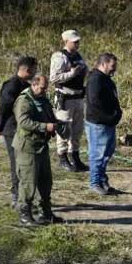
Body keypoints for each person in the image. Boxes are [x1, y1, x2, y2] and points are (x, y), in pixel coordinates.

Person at [12, 74, 64, 226]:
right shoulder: (24, 100)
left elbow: (48, 115)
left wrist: (56, 124)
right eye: (42, 88)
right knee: (28, 182)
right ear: (34, 85)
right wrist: (44, 127)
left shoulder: (43, 99)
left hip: (41, 146)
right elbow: (23, 122)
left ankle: (46, 213)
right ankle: (25, 215)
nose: (44, 91)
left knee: (45, 181)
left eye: (45, 88)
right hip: (27, 147)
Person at [0, 56, 38, 208]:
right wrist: (0, 126)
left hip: (23, 129)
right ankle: (16, 195)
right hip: (12, 129)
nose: (35, 71)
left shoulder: (25, 85)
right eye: (34, 69)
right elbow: (4, 106)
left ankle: (24, 194)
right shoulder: (12, 85)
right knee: (17, 163)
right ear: (27, 69)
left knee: (25, 163)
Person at [50, 29, 89, 172]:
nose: (77, 44)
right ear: (66, 41)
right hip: (64, 97)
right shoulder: (59, 57)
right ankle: (62, 157)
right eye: (74, 41)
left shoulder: (79, 56)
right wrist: (72, 73)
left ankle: (75, 156)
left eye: (78, 41)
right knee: (64, 129)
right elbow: (54, 78)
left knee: (78, 130)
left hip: (78, 97)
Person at [85, 53, 122, 196]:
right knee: (97, 154)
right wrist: (108, 117)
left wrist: (116, 114)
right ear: (104, 64)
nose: (114, 69)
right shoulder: (95, 79)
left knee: (107, 153)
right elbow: (95, 103)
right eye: (112, 66)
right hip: (99, 123)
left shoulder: (106, 79)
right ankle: (95, 182)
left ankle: (102, 180)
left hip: (108, 122)